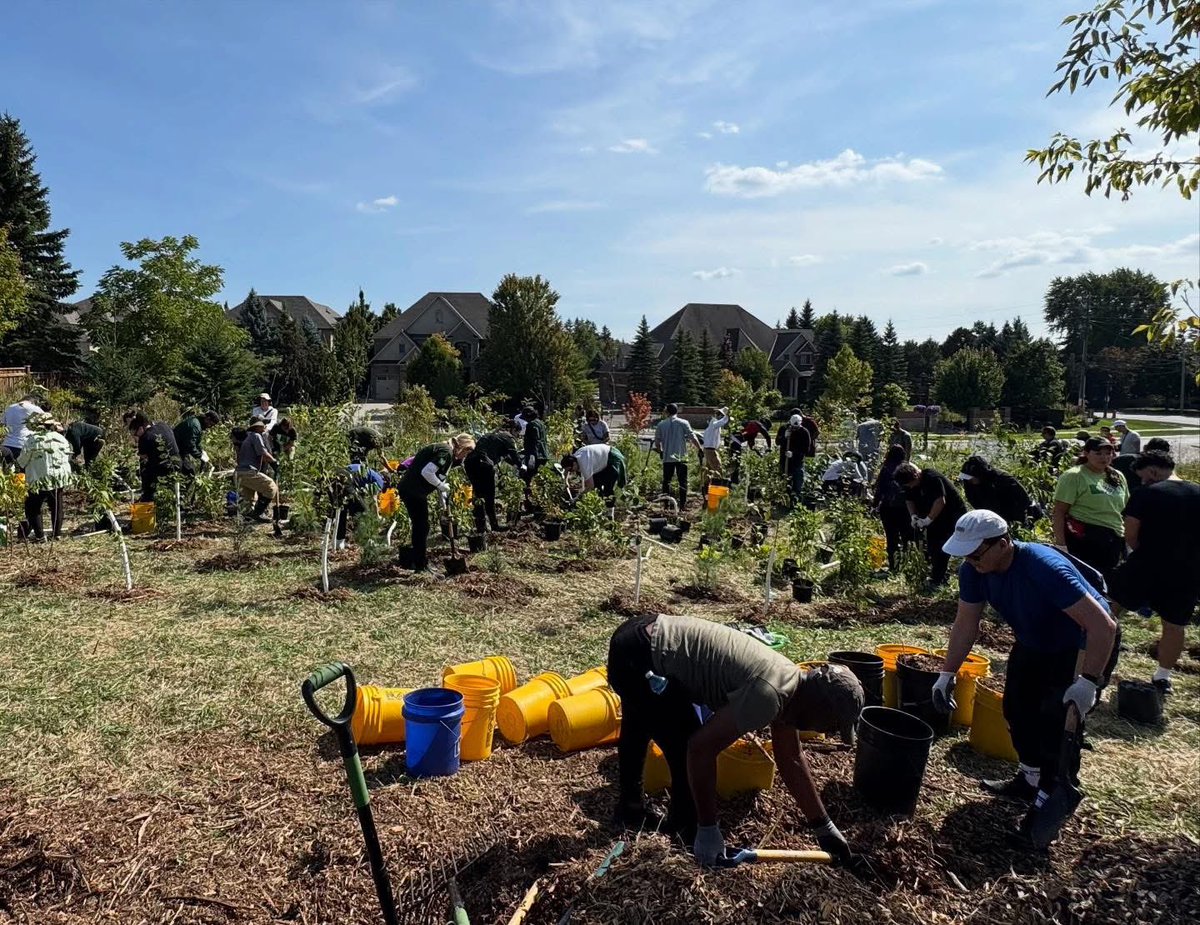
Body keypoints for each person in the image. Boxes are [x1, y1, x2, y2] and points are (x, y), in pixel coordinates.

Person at [606, 614, 865, 867]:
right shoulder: (768, 695)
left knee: (641, 720)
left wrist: (824, 827)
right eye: (829, 725)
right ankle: (688, 837)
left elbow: (791, 760)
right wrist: (708, 828)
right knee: (684, 741)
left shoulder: (791, 683)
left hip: (641, 635)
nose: (825, 731)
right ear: (817, 708)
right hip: (639, 654)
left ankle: (631, 807)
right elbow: (700, 749)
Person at [934, 511, 1116, 845]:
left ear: (1002, 544)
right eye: (965, 555)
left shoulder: (1042, 567)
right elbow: (965, 624)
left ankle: (1054, 791)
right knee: (1017, 710)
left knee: (1057, 723)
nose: (970, 561)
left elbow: (1103, 626)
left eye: (975, 553)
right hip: (1033, 642)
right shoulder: (975, 570)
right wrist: (947, 673)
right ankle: (1029, 779)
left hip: (1080, 645)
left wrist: (1089, 680)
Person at [1108, 451, 1200, 695]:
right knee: (1174, 625)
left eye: (1143, 477)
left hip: (1146, 564)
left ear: (1153, 471)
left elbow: (1131, 534)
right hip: (1187, 571)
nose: (1143, 482)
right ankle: (1163, 677)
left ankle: (1094, 660)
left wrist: (1145, 553)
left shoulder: (1146, 494)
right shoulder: (1198, 492)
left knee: (1110, 609)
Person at [397, 434, 475, 575]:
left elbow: (438, 478)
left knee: (421, 526)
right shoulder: (446, 452)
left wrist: (443, 501)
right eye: (467, 453)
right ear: (463, 447)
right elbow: (427, 472)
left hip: (413, 490)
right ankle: (421, 565)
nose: (464, 457)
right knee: (421, 526)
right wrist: (440, 485)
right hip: (413, 491)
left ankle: (419, 561)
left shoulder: (446, 452)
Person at [1052, 437, 1128, 580]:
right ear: (1086, 453)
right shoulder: (1074, 476)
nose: (1104, 458)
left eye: (1108, 453)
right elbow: (1059, 512)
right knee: (1090, 581)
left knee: (1112, 582)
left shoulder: (1117, 476)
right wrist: (1061, 545)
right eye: (1098, 453)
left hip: (1114, 537)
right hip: (1086, 538)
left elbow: (1124, 509)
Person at [896, 461, 967, 587]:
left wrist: (928, 520)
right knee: (932, 546)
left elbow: (940, 501)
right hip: (935, 516)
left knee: (943, 546)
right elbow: (909, 500)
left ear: (916, 476)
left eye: (910, 484)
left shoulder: (932, 478)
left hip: (951, 515)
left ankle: (940, 579)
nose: (910, 487)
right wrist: (913, 516)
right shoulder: (909, 483)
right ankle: (938, 576)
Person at [16, 413, 72, 541]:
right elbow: (68, 456)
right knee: (57, 506)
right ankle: (57, 534)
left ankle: (40, 536)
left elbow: (22, 460)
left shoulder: (32, 440)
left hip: (38, 478)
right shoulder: (60, 438)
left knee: (33, 507)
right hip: (58, 478)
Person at [464, 426, 524, 533]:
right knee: (489, 496)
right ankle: (494, 525)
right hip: (484, 465)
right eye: (518, 434)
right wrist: (521, 465)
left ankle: (481, 527)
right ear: (513, 430)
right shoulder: (507, 438)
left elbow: (506, 457)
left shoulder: (493, 437)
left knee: (477, 494)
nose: (517, 438)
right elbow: (513, 454)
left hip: (470, 463)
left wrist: (514, 463)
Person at [958, 455, 1037, 525]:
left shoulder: (1004, 480)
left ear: (980, 475)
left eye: (971, 478)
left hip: (1014, 518)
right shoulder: (970, 484)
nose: (969, 481)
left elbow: (1023, 499)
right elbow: (973, 500)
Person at [872, 445, 914, 571]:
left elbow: (880, 490)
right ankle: (908, 564)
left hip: (888, 508)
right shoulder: (909, 468)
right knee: (907, 537)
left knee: (892, 538)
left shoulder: (886, 468)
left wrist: (874, 505)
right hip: (906, 508)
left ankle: (893, 566)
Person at [653, 403, 702, 507]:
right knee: (682, 481)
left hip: (667, 457)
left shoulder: (661, 424)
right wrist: (700, 448)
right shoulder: (683, 423)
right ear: (677, 411)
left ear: (667, 412)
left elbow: (657, 441)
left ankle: (666, 504)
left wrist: (660, 451)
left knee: (667, 481)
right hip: (681, 457)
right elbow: (692, 437)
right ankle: (682, 505)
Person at [128, 412, 182, 503]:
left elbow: (143, 461)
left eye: (135, 435)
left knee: (146, 473)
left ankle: (147, 500)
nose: (135, 438)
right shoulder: (163, 425)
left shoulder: (145, 438)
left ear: (140, 428)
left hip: (162, 470)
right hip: (178, 464)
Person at [335, 462, 386, 550]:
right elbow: (374, 500)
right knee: (363, 512)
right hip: (348, 480)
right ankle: (366, 542)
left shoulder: (372, 474)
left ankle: (339, 543)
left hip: (337, 475)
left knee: (342, 510)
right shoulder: (380, 481)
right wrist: (377, 517)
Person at [235, 419, 278, 522]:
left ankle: (247, 521)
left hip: (239, 473)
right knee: (271, 487)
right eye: (263, 425)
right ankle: (259, 513)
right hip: (248, 472)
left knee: (249, 501)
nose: (265, 427)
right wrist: (274, 462)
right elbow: (263, 453)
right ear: (257, 427)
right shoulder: (256, 436)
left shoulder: (247, 437)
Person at [561, 443, 627, 498]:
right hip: (604, 458)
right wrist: (566, 481)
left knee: (608, 488)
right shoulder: (575, 457)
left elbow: (590, 486)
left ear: (574, 464)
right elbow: (566, 470)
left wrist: (579, 497)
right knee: (597, 484)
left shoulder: (584, 464)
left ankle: (610, 511)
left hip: (612, 458)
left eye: (570, 469)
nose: (571, 472)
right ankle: (601, 502)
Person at [776, 414, 812, 504]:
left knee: (797, 480)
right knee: (785, 480)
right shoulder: (784, 429)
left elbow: (806, 449)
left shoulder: (804, 432)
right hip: (785, 460)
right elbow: (777, 442)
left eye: (796, 427)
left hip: (797, 461)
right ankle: (784, 500)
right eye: (793, 426)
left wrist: (794, 453)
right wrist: (784, 437)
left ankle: (796, 500)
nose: (794, 428)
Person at [1, 394, 45, 468]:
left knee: (8, 474)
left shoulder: (10, 407)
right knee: (24, 475)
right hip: (25, 445)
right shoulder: (35, 408)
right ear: (33, 401)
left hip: (8, 445)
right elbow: (46, 423)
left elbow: (2, 423)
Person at [174, 410, 220, 476]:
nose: (210, 427)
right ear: (208, 419)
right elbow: (190, 445)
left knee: (189, 470)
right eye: (211, 424)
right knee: (189, 473)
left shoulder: (198, 423)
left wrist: (201, 451)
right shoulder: (195, 425)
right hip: (176, 449)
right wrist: (200, 455)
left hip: (181, 448)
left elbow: (196, 442)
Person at [520, 407, 550, 503]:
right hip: (543, 454)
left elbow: (535, 440)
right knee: (539, 478)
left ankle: (531, 500)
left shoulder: (532, 424)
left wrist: (532, 455)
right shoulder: (540, 422)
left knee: (528, 478)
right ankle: (540, 499)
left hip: (536, 455)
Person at [700, 407, 730, 486]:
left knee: (708, 469)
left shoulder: (711, 426)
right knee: (717, 468)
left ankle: (705, 486)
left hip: (708, 449)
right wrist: (727, 415)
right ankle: (718, 485)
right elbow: (724, 421)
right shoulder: (714, 424)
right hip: (711, 450)